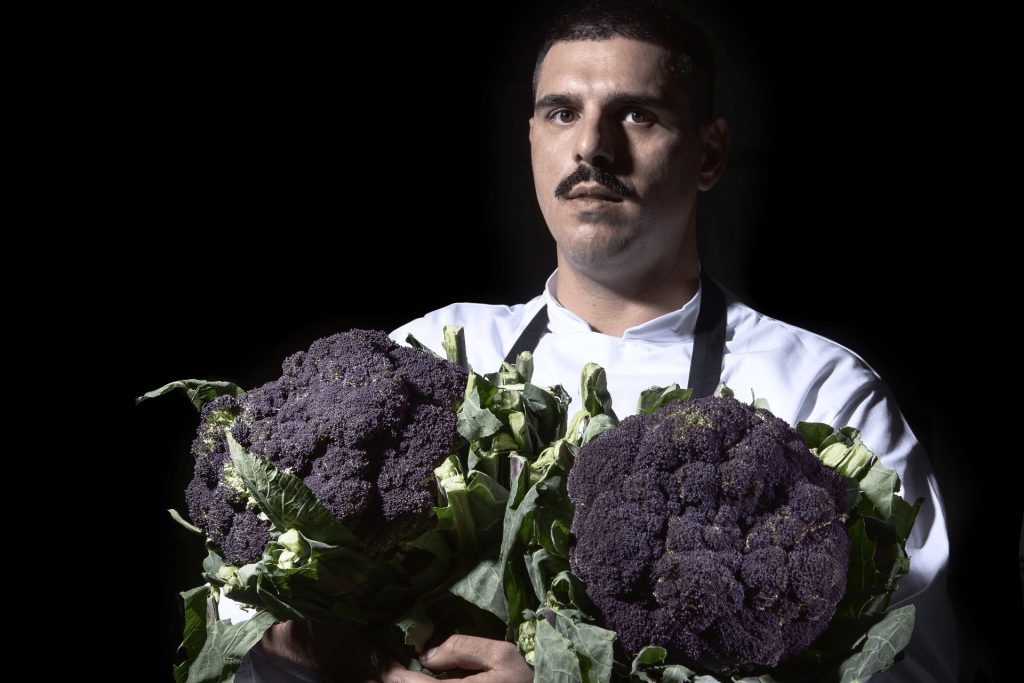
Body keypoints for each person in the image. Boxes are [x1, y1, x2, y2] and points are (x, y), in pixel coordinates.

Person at [234, 1, 958, 680]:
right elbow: (249, 608)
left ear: (710, 153)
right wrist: (367, 664)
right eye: (561, 112)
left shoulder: (823, 392)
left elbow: (917, 666)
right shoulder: (432, 354)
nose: (591, 146)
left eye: (637, 114)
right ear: (531, 143)